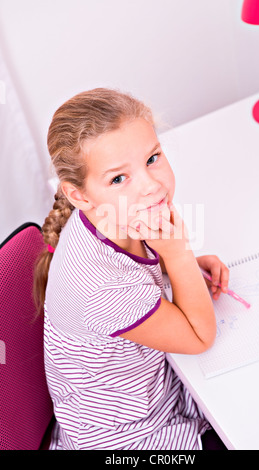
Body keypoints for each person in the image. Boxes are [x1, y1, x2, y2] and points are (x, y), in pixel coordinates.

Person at [34, 88, 229, 450]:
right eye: (119, 178)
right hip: (130, 440)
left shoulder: (111, 217)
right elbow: (200, 338)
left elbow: (133, 273)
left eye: (152, 158)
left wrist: (176, 269)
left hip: (156, 393)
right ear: (79, 195)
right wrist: (179, 254)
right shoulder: (100, 288)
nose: (151, 185)